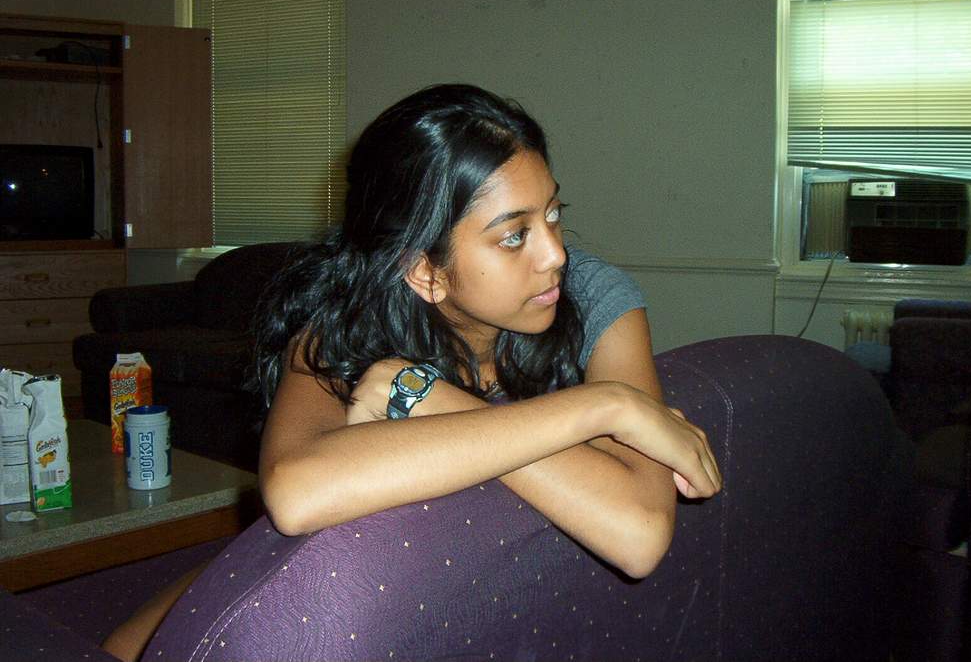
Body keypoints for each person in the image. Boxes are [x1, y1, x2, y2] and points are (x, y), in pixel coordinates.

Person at [102, 83, 721, 661]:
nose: (555, 254)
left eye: (553, 214)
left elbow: (639, 535)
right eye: (514, 235)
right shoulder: (343, 323)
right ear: (424, 271)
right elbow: (295, 492)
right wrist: (603, 407)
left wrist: (426, 396)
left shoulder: (594, 298)